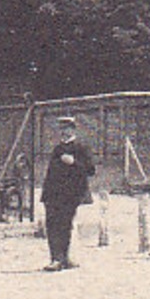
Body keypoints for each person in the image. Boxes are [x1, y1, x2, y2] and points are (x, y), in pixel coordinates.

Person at [40, 115, 95, 271]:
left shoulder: (81, 147)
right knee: (52, 225)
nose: (63, 132)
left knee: (64, 225)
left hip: (70, 194)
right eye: (61, 129)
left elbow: (90, 170)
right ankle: (57, 258)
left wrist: (74, 163)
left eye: (66, 129)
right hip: (52, 194)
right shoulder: (57, 149)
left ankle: (62, 258)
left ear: (73, 129)